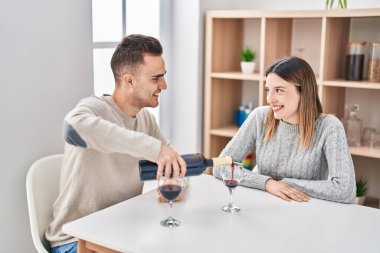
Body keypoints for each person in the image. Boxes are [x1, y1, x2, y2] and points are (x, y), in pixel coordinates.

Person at [46, 34, 187, 253]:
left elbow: (174, 165)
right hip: (74, 240)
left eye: (163, 76)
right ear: (129, 80)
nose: (164, 85)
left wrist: (177, 184)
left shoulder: (146, 120)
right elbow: (72, 128)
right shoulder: (94, 109)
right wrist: (154, 149)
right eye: (156, 78)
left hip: (119, 234)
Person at [214, 56, 356, 204]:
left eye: (279, 90)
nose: (270, 98)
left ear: (303, 92)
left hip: (307, 212)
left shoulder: (329, 127)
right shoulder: (260, 117)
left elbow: (345, 190)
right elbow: (220, 166)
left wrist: (283, 184)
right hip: (262, 205)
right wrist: (267, 183)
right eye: (268, 90)